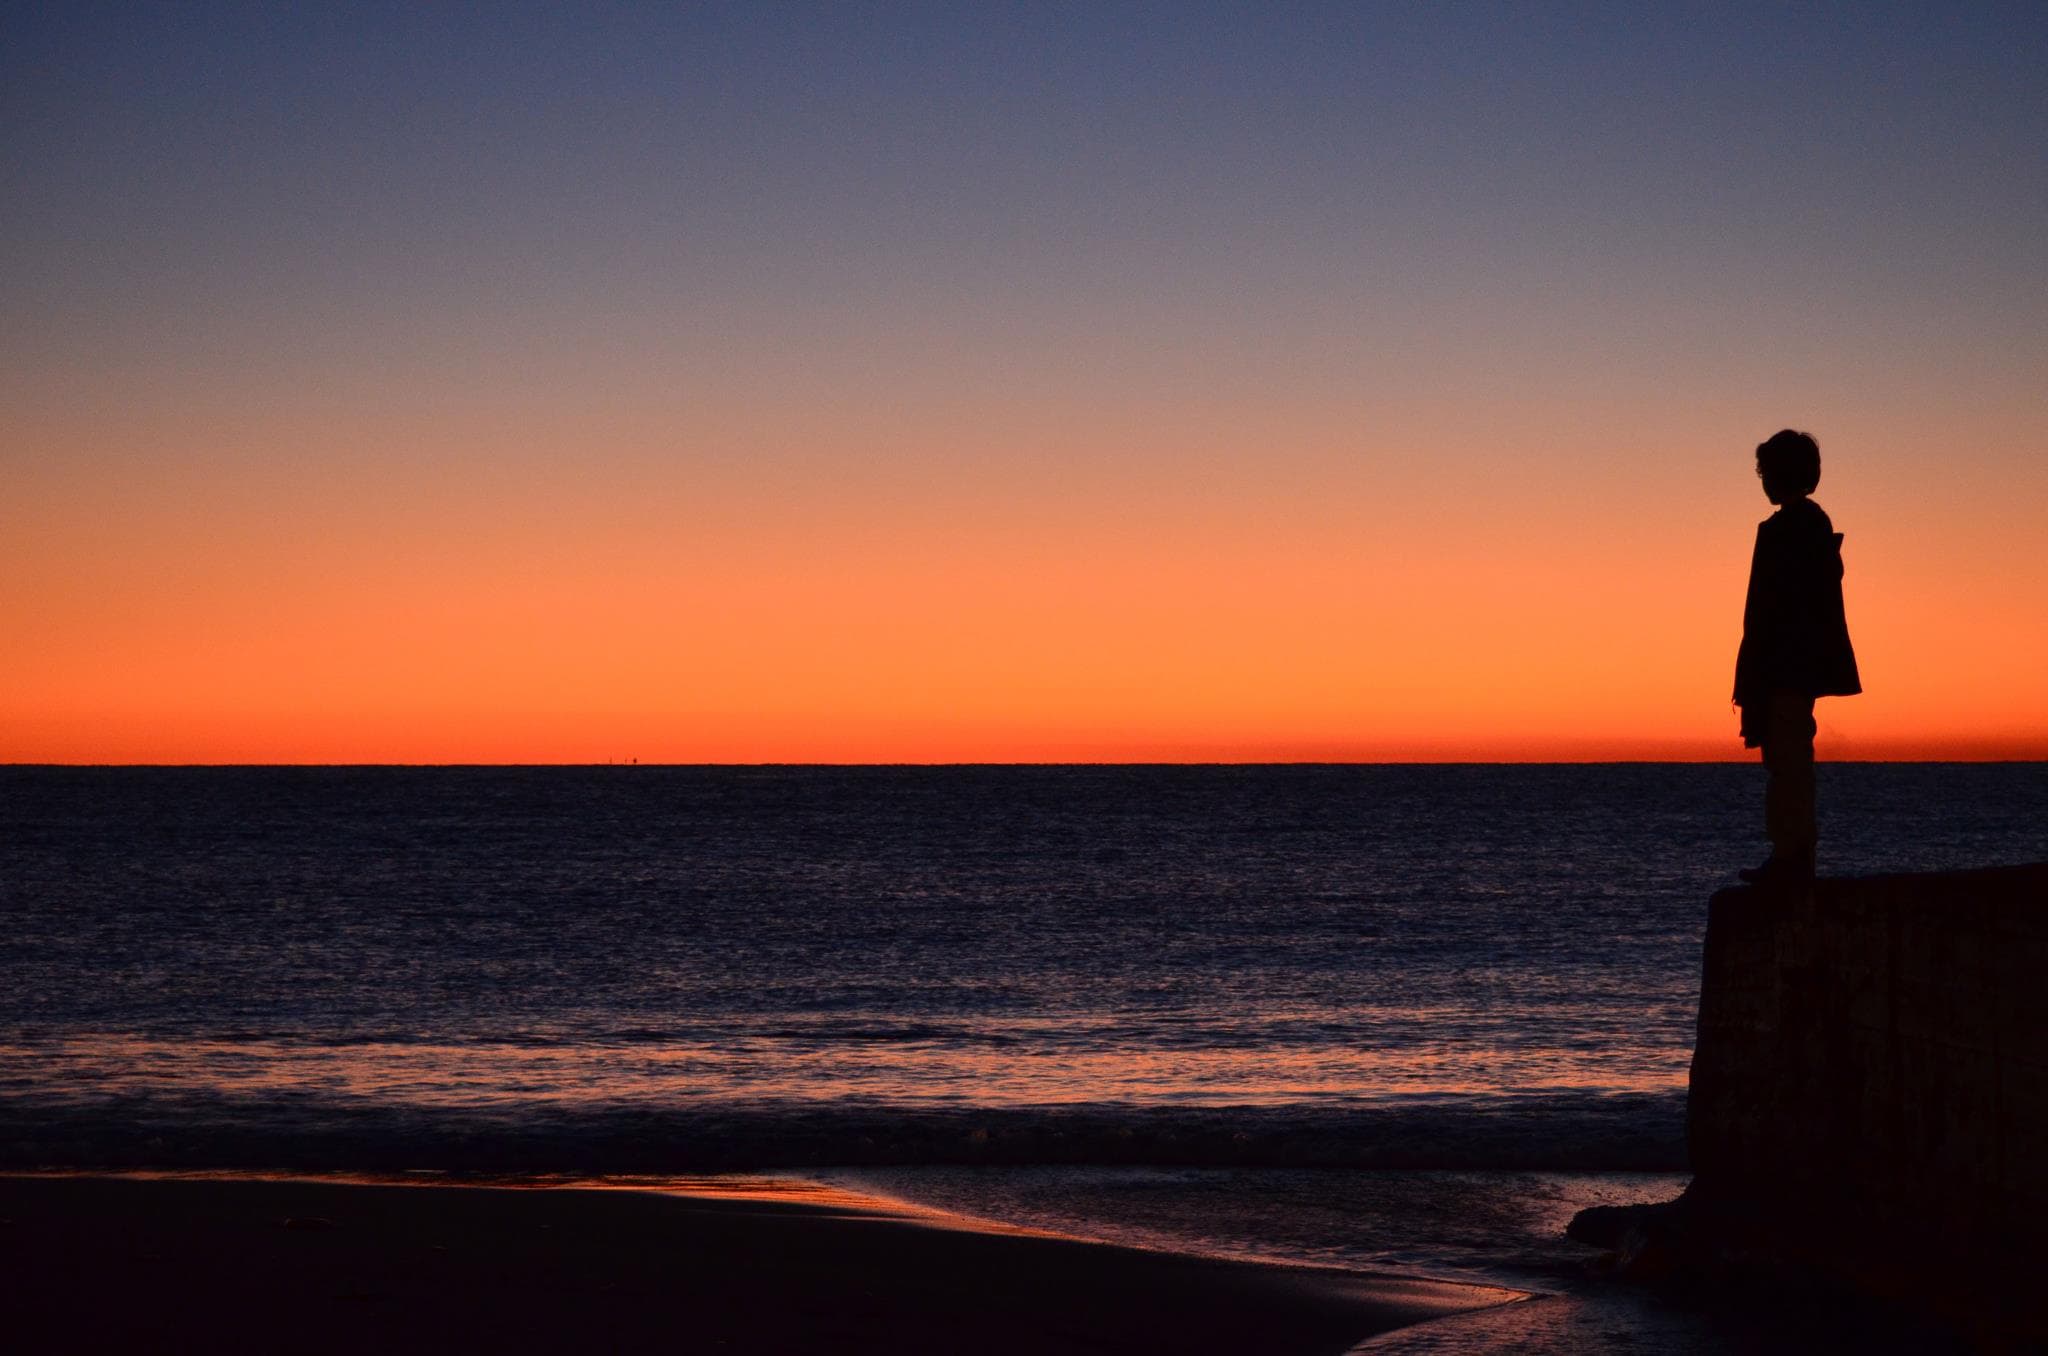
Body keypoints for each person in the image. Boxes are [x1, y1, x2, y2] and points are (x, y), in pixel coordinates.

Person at [1731, 429, 1861, 886]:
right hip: (1785, 665)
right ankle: (1791, 853)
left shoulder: (1796, 528)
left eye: (1767, 471)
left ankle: (1791, 855)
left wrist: (1760, 671)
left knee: (1788, 763)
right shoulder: (1803, 525)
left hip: (1785, 665)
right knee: (1786, 761)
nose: (1763, 479)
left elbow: (1779, 607)